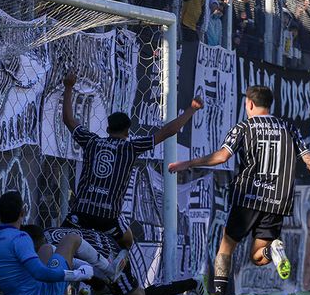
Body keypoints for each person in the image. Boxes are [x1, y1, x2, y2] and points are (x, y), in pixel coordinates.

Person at [168, 85, 310, 295]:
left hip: (249, 197)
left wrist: (189, 163)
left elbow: (222, 157)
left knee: (225, 248)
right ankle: (272, 250)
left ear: (250, 104)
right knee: (258, 257)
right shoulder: (289, 128)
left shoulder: (244, 127)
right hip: (278, 200)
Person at [61, 73, 203, 252]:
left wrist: (68, 86)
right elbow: (169, 131)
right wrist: (192, 109)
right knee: (127, 241)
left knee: (61, 242)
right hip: (107, 219)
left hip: (80, 214)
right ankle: (113, 269)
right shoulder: (131, 147)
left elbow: (68, 119)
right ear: (127, 131)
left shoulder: (91, 142)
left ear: (107, 129)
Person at [0, 191, 97, 295]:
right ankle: (106, 269)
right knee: (70, 239)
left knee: (46, 249)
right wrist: (76, 275)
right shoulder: (20, 237)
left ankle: (100, 281)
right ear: (23, 212)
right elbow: (39, 273)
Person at [22, 224, 207, 295]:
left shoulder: (44, 250)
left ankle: (194, 282)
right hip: (102, 242)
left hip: (112, 257)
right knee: (72, 266)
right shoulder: (46, 234)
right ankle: (100, 286)